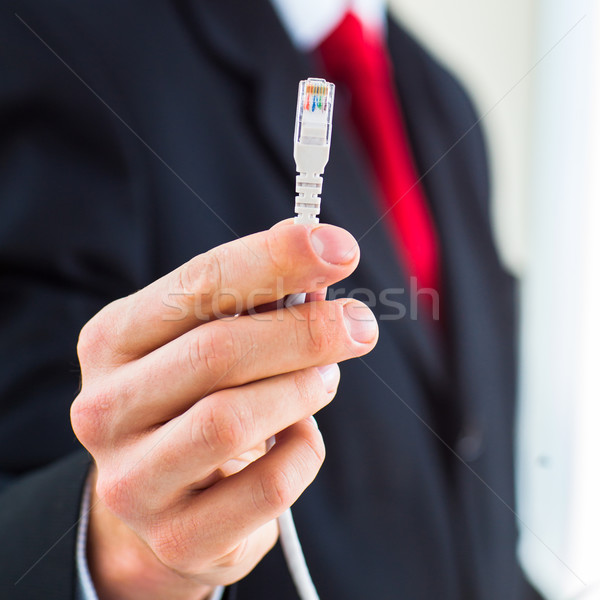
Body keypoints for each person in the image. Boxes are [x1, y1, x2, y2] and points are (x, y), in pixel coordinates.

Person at [0, 1, 541, 598]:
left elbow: (477, 519)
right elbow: (26, 495)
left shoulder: (446, 99)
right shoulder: (59, 37)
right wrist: (126, 557)